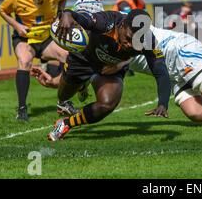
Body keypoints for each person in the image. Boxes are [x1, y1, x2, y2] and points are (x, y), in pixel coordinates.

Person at [32, 24, 202, 126]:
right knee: (196, 113)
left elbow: (134, 50)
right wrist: (52, 82)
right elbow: (79, 74)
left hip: (179, 51)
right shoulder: (94, 50)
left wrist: (118, 65)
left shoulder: (115, 32)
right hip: (170, 71)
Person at [46, 8, 172, 141]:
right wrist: (67, 14)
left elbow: (161, 72)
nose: (129, 45)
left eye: (135, 42)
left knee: (107, 104)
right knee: (63, 95)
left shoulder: (149, 40)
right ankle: (82, 85)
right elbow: (81, 18)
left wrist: (163, 104)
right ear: (122, 25)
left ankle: (65, 123)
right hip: (84, 59)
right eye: (128, 38)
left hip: (110, 68)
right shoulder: (107, 21)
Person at [0, 0, 70, 121]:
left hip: (45, 38)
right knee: (24, 61)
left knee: (68, 56)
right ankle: (22, 109)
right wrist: (17, 26)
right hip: (26, 38)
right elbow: (2, 10)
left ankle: (63, 101)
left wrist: (60, 13)